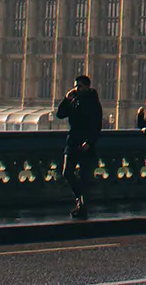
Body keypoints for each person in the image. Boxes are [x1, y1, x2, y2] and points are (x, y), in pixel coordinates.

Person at [55, 74, 103, 219]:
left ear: (87, 87)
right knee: (67, 173)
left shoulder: (93, 102)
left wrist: (89, 142)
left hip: (85, 145)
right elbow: (60, 114)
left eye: (80, 86)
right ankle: (80, 201)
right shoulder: (74, 100)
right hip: (73, 142)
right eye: (75, 86)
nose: (77, 88)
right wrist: (66, 99)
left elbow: (96, 125)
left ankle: (82, 206)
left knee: (83, 178)